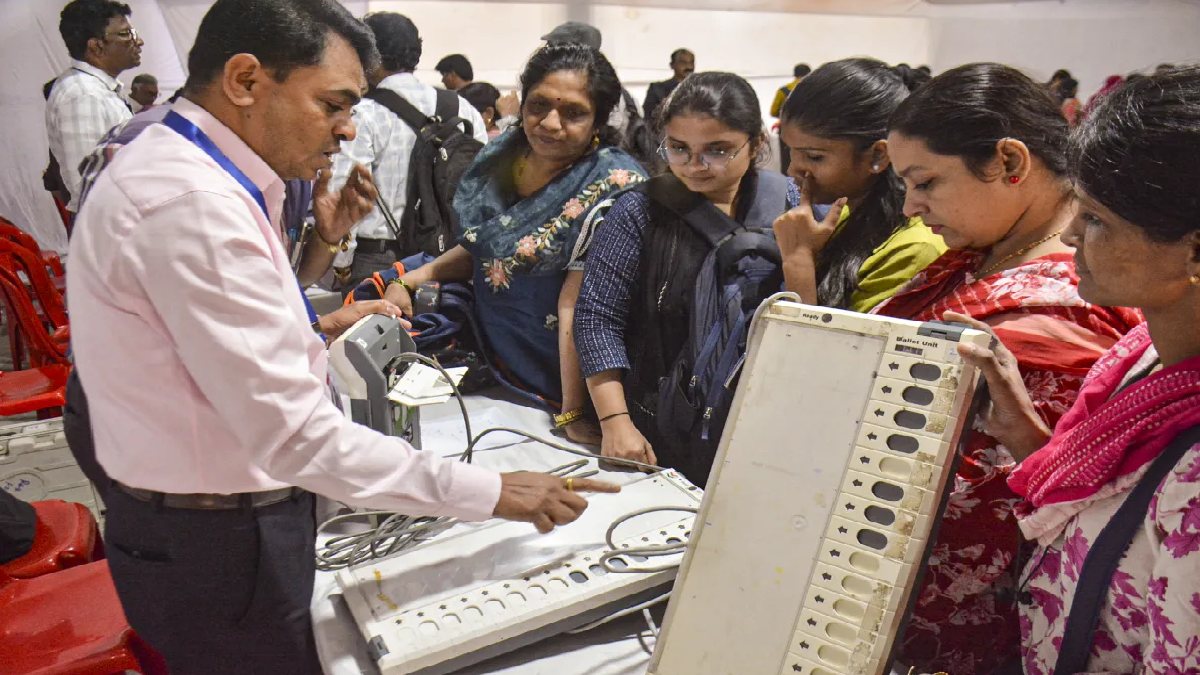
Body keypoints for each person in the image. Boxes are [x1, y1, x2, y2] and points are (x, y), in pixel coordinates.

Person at [66, 1, 617, 672]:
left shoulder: (191, 172)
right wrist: (490, 492)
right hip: (218, 534)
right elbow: (293, 436)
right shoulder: (191, 203)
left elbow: (220, 341)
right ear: (245, 81)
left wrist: (320, 271)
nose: (348, 129)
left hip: (213, 510)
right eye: (333, 104)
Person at [877, 63, 1143, 672]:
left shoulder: (1072, 300)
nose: (913, 208)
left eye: (926, 183)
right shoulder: (981, 256)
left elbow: (1050, 486)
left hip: (992, 624)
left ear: (1008, 161)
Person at [966, 65, 1200, 675]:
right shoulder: (1148, 351)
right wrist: (1022, 431)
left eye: (1096, 219)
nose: (1069, 234)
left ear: (1195, 251)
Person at [382, 42, 647, 442]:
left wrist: (572, 411)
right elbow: (483, 248)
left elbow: (579, 303)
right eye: (538, 105)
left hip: (567, 381)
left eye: (573, 113)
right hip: (495, 362)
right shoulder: (503, 156)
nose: (550, 123)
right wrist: (410, 280)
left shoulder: (613, 184)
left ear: (598, 121)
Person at [574, 72, 799, 483]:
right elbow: (596, 318)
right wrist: (615, 421)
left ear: (758, 143)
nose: (695, 166)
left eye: (718, 150)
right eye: (679, 148)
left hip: (767, 421)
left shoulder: (790, 203)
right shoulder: (638, 211)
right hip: (660, 425)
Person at [772, 58, 945, 313]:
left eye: (814, 156)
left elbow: (828, 351)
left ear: (877, 156)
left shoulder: (914, 250)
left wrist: (798, 261)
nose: (792, 169)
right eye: (791, 151)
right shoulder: (845, 212)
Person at [329, 12, 488, 287]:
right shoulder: (463, 109)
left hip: (378, 259)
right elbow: (485, 182)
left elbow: (348, 193)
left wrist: (341, 265)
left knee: (377, 330)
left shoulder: (363, 115)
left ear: (369, 54)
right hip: (448, 260)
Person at [46, 0, 141, 214]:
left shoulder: (95, 90)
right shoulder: (84, 95)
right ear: (96, 46)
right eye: (126, 34)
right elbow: (90, 188)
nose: (139, 41)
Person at [643, 48, 695, 120]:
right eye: (683, 63)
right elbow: (648, 118)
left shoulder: (702, 88)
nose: (689, 67)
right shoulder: (657, 89)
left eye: (691, 62)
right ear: (672, 65)